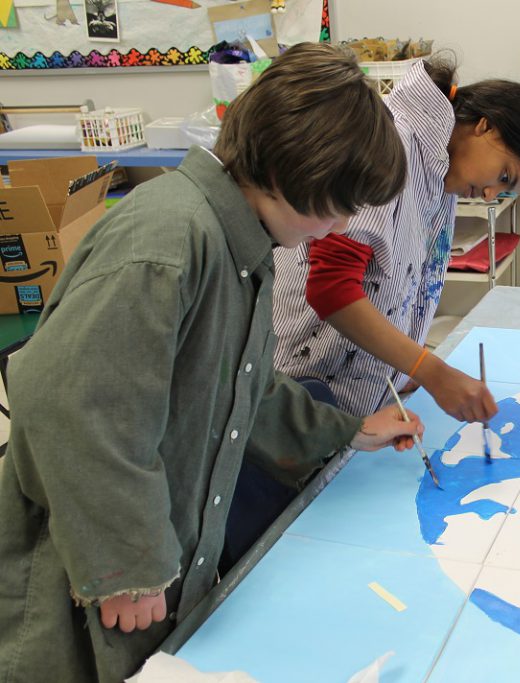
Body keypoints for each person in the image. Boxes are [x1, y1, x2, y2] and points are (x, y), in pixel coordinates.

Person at [0, 42, 424, 683]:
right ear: (300, 173)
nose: (339, 226)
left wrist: (346, 431)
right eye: (341, 204)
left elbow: (238, 385)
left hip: (148, 565)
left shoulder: (238, 243)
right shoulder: (170, 240)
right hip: (79, 579)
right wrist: (127, 565)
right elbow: (70, 405)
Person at [272, 54, 520, 423]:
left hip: (345, 396)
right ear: (487, 127)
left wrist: (398, 368)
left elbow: (395, 282)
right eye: (504, 176)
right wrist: (432, 372)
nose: (489, 194)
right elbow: (330, 288)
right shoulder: (397, 148)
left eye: (503, 192)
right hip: (300, 388)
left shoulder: (440, 172)